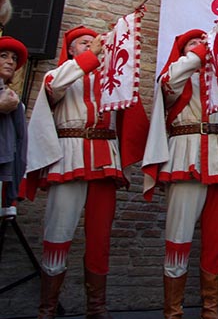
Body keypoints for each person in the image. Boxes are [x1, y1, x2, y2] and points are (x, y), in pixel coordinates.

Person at [26, 25, 149, 319]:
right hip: (69, 157)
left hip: (105, 160)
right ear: (70, 49)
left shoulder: (113, 80)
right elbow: (55, 88)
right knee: (58, 230)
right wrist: (91, 56)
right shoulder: (59, 74)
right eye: (83, 43)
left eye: (93, 43)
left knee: (100, 235)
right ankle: (47, 308)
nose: (91, 46)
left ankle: (97, 308)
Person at [141, 28, 218, 319]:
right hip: (186, 154)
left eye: (203, 41)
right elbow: (169, 83)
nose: (201, 45)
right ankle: (173, 312)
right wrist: (202, 50)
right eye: (192, 43)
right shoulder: (176, 72)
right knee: (178, 236)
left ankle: (210, 311)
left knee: (216, 238)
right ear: (184, 50)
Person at [0, 36, 28, 213]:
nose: (10, 61)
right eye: (3, 55)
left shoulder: (15, 101)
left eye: (14, 58)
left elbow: (20, 147)